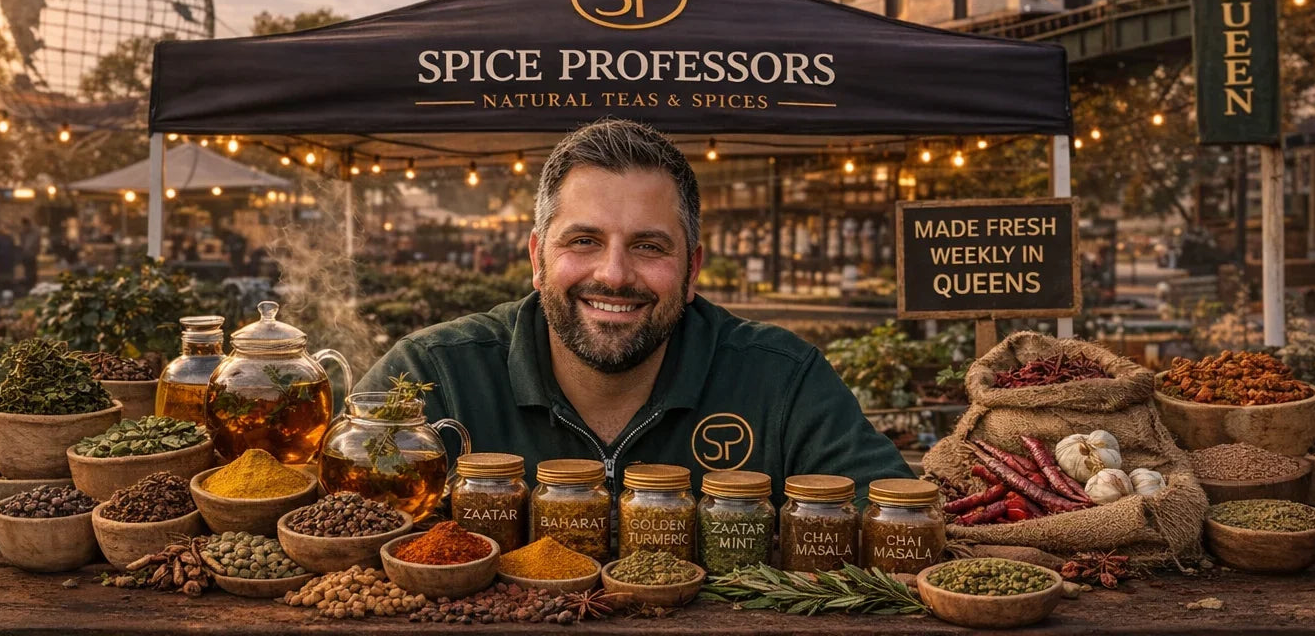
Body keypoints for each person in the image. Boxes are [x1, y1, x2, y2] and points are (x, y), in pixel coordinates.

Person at [356, 119, 910, 504]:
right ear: (537, 257)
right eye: (583, 241)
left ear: (692, 269)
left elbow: (894, 520)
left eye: (649, 246)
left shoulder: (783, 380)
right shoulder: (434, 374)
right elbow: (332, 520)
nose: (614, 275)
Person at [0, 224, 19, 297]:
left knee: (9, 280)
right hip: (1, 262)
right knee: (1, 280)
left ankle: (9, 295)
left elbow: (14, 248)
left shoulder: (10, 238)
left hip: (9, 262)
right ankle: (0, 296)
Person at [19, 218, 41, 292]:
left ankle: (32, 288)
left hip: (31, 256)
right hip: (26, 256)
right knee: (27, 273)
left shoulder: (34, 233)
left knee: (32, 274)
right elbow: (22, 244)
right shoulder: (23, 233)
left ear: (28, 225)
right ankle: (29, 288)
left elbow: (29, 246)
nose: (23, 228)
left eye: (24, 226)